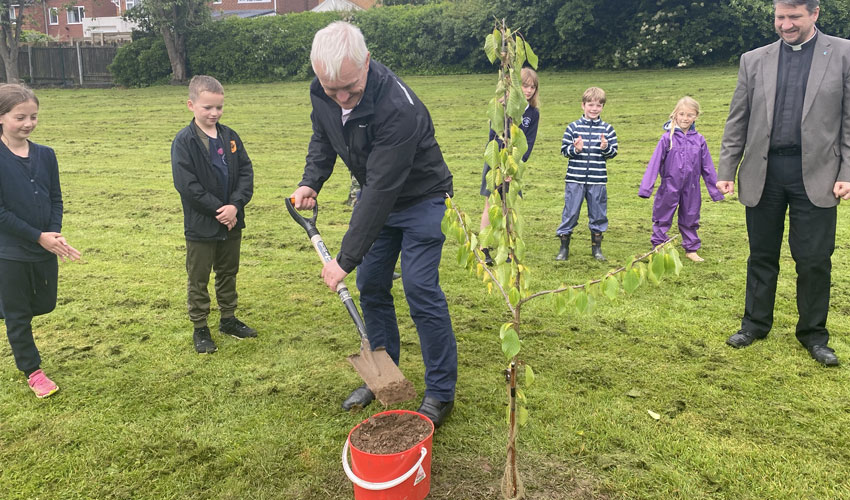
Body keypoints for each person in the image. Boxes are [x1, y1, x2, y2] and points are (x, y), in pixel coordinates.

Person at [290, 21, 457, 428]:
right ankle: (386, 374)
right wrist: (312, 178)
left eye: (349, 87)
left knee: (420, 287)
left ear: (366, 61)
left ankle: (440, 393)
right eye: (333, 91)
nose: (342, 97)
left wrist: (344, 258)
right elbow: (324, 135)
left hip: (422, 199)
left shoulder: (399, 109)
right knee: (372, 285)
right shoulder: (322, 89)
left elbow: (382, 188)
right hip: (378, 196)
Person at [717, 0, 850, 366]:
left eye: (794, 17)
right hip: (764, 174)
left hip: (819, 175)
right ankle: (755, 323)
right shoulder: (753, 60)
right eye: (780, 17)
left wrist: (847, 172)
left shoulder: (843, 53)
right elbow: (737, 119)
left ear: (815, 13)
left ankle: (813, 334)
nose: (786, 24)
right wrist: (726, 169)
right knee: (761, 255)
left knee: (814, 260)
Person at [0, 84, 81, 398]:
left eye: (33, 116)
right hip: (9, 251)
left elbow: (56, 198)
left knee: (44, 303)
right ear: (2, 117)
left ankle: (7, 305)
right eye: (20, 117)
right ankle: (33, 371)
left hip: (45, 246)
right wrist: (38, 237)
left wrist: (54, 235)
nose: (28, 123)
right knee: (18, 314)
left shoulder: (46, 155)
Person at [171, 75, 257, 355]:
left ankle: (228, 320)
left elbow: (246, 172)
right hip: (201, 225)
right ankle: (200, 328)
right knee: (198, 277)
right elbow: (187, 185)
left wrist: (235, 205)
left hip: (233, 221)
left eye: (218, 108)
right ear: (191, 105)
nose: (214, 113)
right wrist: (218, 210)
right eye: (207, 108)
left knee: (228, 272)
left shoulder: (231, 136)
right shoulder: (184, 142)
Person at [639, 96, 724, 262]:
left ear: (696, 117)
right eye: (682, 114)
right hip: (669, 185)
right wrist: (646, 188)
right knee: (662, 215)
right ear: (675, 115)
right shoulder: (667, 138)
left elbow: (707, 166)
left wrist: (716, 190)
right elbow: (654, 164)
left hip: (692, 187)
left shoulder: (699, 140)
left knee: (691, 216)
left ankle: (691, 249)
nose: (685, 118)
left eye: (690, 115)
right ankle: (659, 246)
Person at [479, 67, 539, 266]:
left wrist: (514, 168)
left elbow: (528, 143)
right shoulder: (502, 107)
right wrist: (498, 166)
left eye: (532, 87)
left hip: (514, 167)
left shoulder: (533, 113)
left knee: (510, 206)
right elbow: (493, 138)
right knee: (491, 203)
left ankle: (508, 246)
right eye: (524, 85)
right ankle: (484, 247)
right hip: (496, 163)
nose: (528, 90)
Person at [556, 87, 618, 261]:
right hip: (575, 179)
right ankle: (563, 248)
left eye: (598, 105)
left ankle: (596, 249)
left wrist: (605, 148)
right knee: (571, 212)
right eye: (591, 105)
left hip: (597, 180)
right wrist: (575, 149)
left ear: (602, 108)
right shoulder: (573, 128)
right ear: (583, 105)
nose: (594, 109)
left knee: (598, 214)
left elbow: (613, 153)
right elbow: (564, 152)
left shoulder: (608, 129)